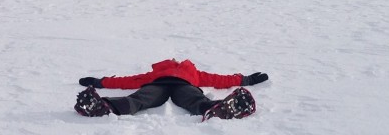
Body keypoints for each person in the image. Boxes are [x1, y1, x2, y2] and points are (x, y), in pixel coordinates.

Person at [75, 58, 269, 120]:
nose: (174, 60)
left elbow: (219, 79)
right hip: (157, 85)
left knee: (194, 99)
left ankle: (217, 109)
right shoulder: (154, 74)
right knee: (141, 98)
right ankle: (105, 106)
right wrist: (100, 82)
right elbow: (128, 81)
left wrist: (246, 79)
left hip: (184, 86)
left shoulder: (194, 72)